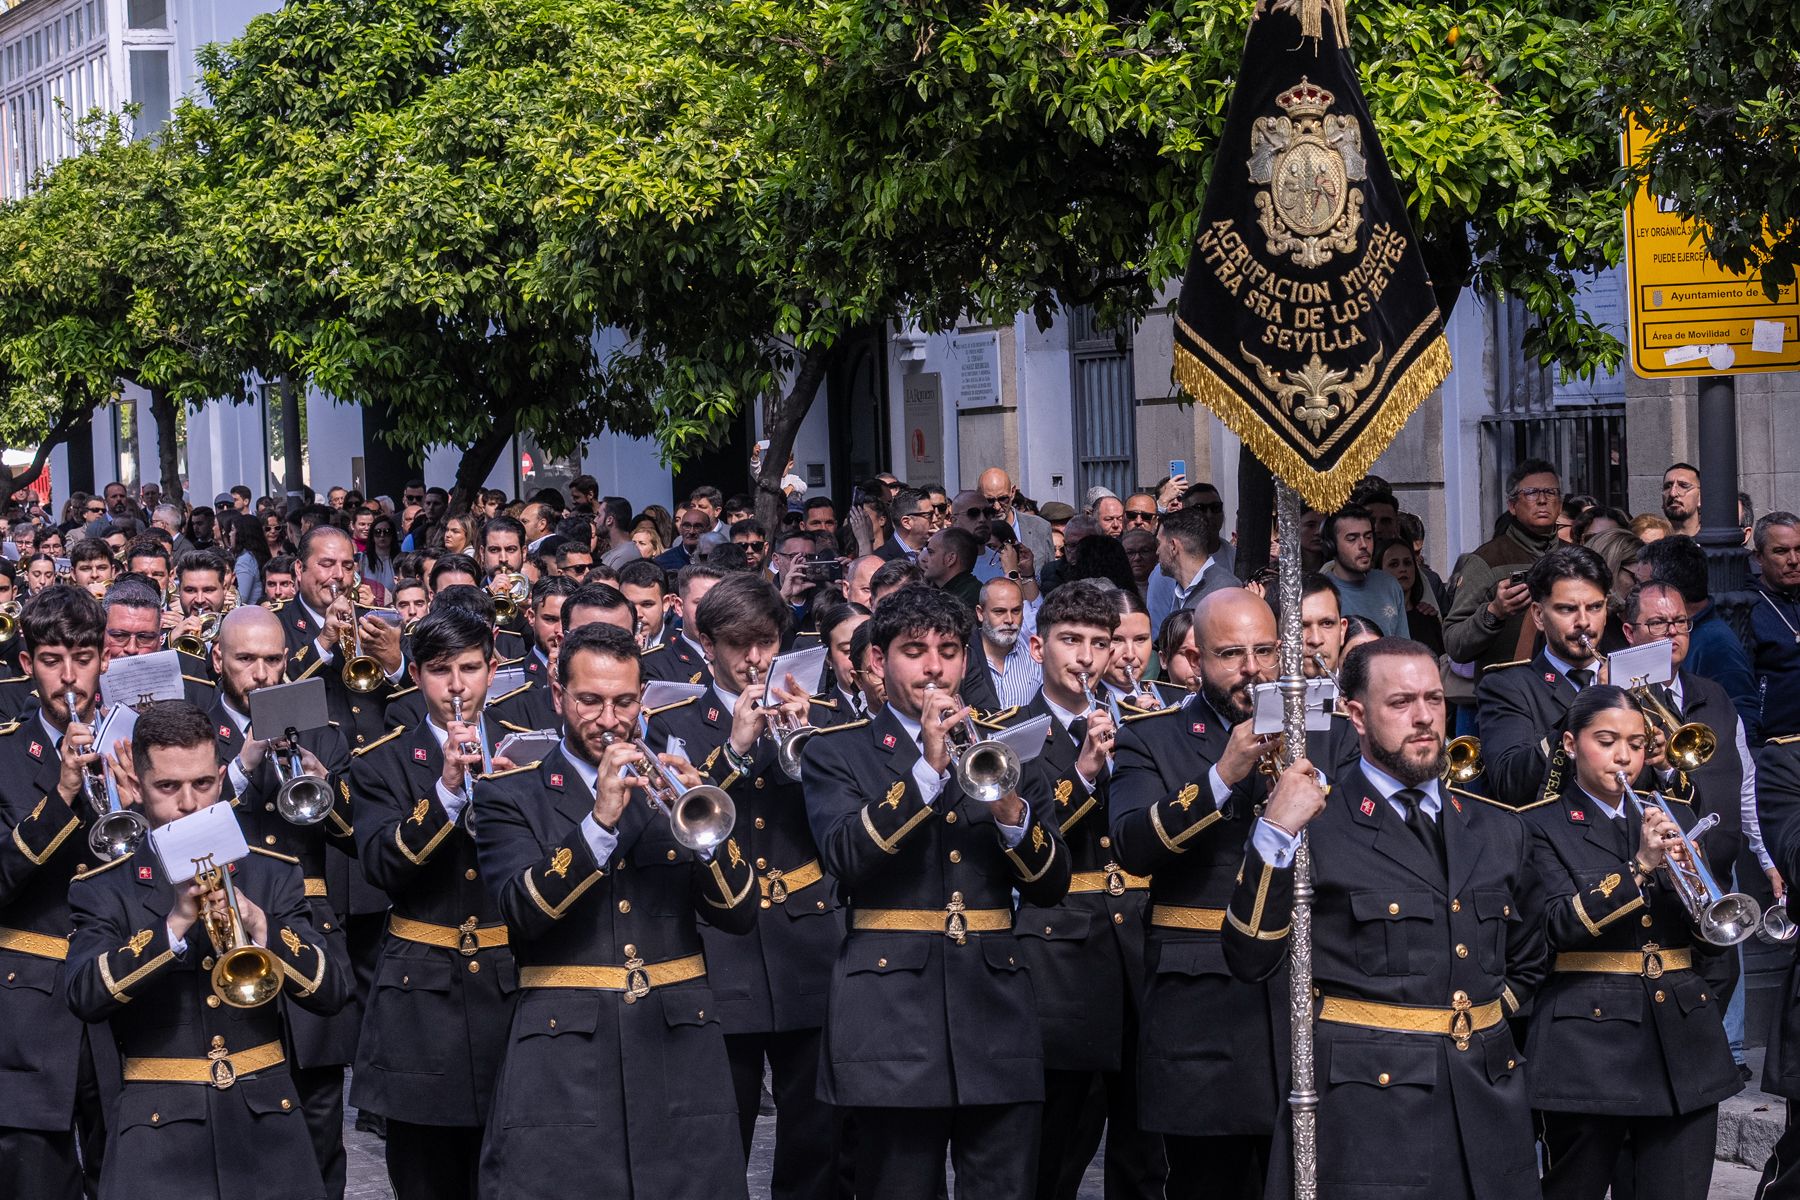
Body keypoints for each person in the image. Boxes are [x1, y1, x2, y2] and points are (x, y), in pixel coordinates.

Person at [1222, 637, 1546, 1199]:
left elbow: (1529, 958)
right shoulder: (1317, 825)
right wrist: (1274, 834)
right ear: (1357, 716)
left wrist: (1485, 1026)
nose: (1424, 718)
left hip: (1489, 1108)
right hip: (1373, 1114)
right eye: (1400, 703)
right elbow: (1249, 956)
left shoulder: (1499, 829)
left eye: (1435, 700)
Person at [800, 585, 1069, 1200]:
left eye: (948, 651)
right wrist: (925, 772)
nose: (933, 668)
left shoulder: (1010, 748)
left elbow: (1051, 886)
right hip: (889, 1019)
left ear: (966, 660)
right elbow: (844, 858)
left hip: (996, 1009)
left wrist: (1010, 811)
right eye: (914, 651)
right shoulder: (836, 752)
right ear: (877, 662)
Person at [471, 621, 758, 1197]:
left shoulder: (669, 788)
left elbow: (739, 913)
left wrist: (704, 835)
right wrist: (598, 824)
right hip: (564, 1058)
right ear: (558, 696)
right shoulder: (510, 794)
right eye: (591, 701)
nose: (609, 719)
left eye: (625, 702)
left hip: (679, 1048)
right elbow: (520, 914)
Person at [1111, 587, 1341, 1199]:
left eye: (1265, 651)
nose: (1253, 669)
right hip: (1206, 1006)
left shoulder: (1326, 729)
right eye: (1231, 653)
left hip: (1312, 991)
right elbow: (1133, 845)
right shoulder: (1151, 738)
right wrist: (1222, 777)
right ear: (1195, 659)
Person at [65, 701, 347, 1200]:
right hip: (158, 1141)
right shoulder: (105, 888)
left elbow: (332, 993)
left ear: (221, 778)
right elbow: (84, 996)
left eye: (201, 784)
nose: (189, 803)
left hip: (268, 1132)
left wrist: (261, 923)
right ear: (139, 786)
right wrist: (173, 924)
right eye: (167, 787)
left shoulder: (271, 871)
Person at [644, 574, 848, 1198]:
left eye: (765, 642)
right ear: (706, 643)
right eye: (739, 644)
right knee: (717, 1125)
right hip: (716, 940)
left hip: (805, 938)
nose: (754, 658)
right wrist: (733, 751)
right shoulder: (671, 721)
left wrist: (801, 740)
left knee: (817, 1132)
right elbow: (675, 820)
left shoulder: (821, 716)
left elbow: (836, 812)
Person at [1520, 685, 1739, 1200]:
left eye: (1637, 744)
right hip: (1588, 1051)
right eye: (1607, 740)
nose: (1624, 756)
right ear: (1571, 745)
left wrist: (1697, 891)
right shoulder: (1537, 825)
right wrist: (1639, 868)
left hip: (1682, 1048)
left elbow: (1712, 947)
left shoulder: (1676, 816)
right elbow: (1555, 926)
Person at [349, 608, 515, 1200]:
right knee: (424, 1177)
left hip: (511, 989)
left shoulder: (529, 747)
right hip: (420, 1002)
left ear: (493, 671)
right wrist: (444, 791)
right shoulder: (382, 760)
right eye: (441, 670)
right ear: (415, 674)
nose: (457, 687)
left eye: (471, 668)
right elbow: (380, 866)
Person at [1010, 583, 1165, 1200]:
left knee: (1143, 1145)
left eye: (1099, 644)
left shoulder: (1143, 720)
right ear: (1036, 645)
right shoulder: (1015, 735)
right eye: (1070, 641)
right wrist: (1082, 775)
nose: (1086, 658)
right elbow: (1024, 842)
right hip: (1061, 949)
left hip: (1140, 944)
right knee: (1058, 1144)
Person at [209, 605, 358, 1198]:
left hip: (307, 932)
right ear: (219, 659)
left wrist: (324, 781)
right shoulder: (196, 729)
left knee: (321, 1116)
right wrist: (244, 763)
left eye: (273, 659)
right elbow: (177, 821)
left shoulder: (319, 729)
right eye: (246, 660)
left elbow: (351, 836)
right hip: (230, 927)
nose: (263, 674)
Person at [0, 587, 113, 1200]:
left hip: (123, 991)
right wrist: (62, 796)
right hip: (28, 1007)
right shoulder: (4, 752)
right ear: (26, 664)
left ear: (103, 659)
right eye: (51, 658)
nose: (69, 675)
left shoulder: (139, 741)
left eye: (84, 656)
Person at [1476, 545, 1612, 809]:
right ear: (1539, 615)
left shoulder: (1633, 679)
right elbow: (1510, 783)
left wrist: (1664, 765)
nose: (1584, 622)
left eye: (1595, 607)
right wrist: (1588, 705)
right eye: (1567, 609)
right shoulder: (1507, 687)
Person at [1443, 459, 1563, 678]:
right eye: (1532, 493)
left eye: (1550, 492)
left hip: (1568, 691)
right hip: (1506, 694)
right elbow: (1454, 644)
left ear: (1561, 504)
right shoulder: (1487, 560)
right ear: (1512, 506)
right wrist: (1494, 612)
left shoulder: (1575, 557)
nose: (1543, 500)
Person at [1640, 535, 1758, 730]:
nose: (1636, 592)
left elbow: (1743, 716)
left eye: (1643, 585)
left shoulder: (1718, 645)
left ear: (1669, 591)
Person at [1320, 505, 1410, 639]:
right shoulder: (1321, 593)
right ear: (1332, 545)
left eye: (1368, 537)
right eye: (1352, 538)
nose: (1363, 545)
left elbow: (1404, 646)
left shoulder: (1389, 585)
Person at [1750, 512, 1800, 745]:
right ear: (1759, 557)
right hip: (1774, 741)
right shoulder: (1748, 605)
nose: (1793, 559)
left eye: (1799, 549)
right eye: (1781, 551)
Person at [640, 564, 726, 687]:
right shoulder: (654, 665)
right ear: (679, 606)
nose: (711, 611)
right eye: (701, 603)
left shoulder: (743, 656)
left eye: (719, 604)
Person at [974, 577, 1040, 711]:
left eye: (1016, 611)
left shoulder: (1035, 655)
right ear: (980, 613)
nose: (1009, 620)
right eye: (999, 611)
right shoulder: (964, 656)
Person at [977, 467, 1055, 566]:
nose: (996, 507)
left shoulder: (1040, 528)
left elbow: (1050, 575)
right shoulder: (972, 531)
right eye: (989, 500)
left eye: (1003, 499)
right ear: (978, 495)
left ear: (1013, 492)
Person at [1378, 537, 1442, 655]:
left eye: (1407, 563)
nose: (1402, 569)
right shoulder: (1373, 618)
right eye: (1394, 564)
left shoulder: (1427, 617)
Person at [920, 527, 983, 608]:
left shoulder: (967, 600)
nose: (924, 559)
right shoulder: (948, 593)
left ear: (950, 559)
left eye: (931, 552)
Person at [878, 487, 934, 563]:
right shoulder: (881, 559)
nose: (935, 519)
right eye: (929, 515)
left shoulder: (938, 550)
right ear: (906, 522)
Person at [1662, 462, 1702, 538]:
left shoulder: (1712, 541)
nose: (1672, 493)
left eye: (1683, 486)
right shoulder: (1651, 541)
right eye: (1667, 487)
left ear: (1700, 496)